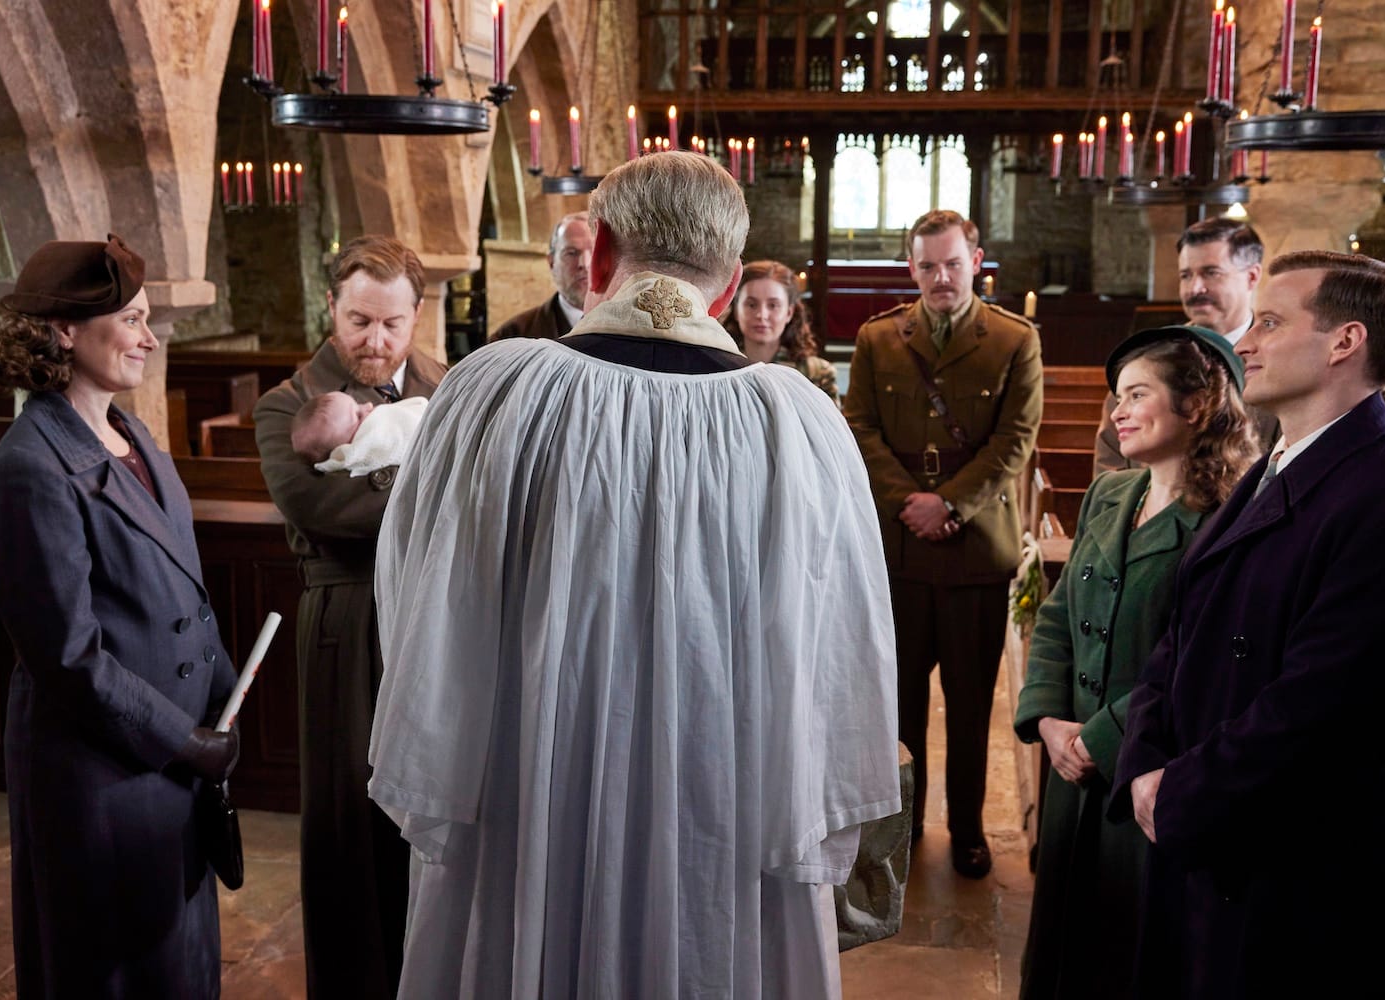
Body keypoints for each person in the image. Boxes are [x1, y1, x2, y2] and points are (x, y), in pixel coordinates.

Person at [368, 151, 900, 998]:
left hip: (528, 789)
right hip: (733, 793)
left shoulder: (494, 394)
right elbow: (844, 652)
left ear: (603, 253)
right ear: (727, 286)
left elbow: (416, 598)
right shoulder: (801, 425)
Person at [1111, 251, 1385, 998]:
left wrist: (1181, 790)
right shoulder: (1274, 465)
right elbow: (1182, 630)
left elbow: (1327, 714)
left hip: (1301, 858)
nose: (1244, 342)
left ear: (1344, 342)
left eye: (1270, 321)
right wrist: (1145, 761)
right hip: (1216, 828)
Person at [0, 235, 240, 998]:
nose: (150, 336)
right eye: (130, 318)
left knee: (180, 967)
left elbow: (183, 592)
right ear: (63, 331)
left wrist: (224, 698)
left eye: (148, 316)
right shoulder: (30, 469)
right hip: (102, 773)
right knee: (113, 974)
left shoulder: (133, 436)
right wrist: (184, 740)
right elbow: (69, 661)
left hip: (172, 764)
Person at [1013, 325, 1257, 999]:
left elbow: (1196, 657)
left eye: (1138, 394)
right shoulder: (1109, 494)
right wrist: (1048, 720)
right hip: (1071, 765)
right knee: (1063, 947)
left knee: (1127, 952)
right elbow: (1060, 614)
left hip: (1148, 768)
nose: (1117, 411)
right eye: (1116, 396)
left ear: (1198, 406)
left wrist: (1098, 739)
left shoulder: (1229, 518)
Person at [253, 234, 447, 1000]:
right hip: (348, 614)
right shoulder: (287, 406)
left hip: (436, 614)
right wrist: (433, 493)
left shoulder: (452, 384)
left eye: (392, 325)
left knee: (431, 810)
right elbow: (321, 505)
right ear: (331, 305)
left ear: (417, 316)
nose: (376, 341)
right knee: (352, 815)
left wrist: (397, 489)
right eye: (359, 321)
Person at [843, 209, 1043, 877]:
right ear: (911, 267)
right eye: (927, 265)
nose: (940, 277)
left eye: (952, 263)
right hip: (899, 552)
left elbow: (1014, 440)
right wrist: (910, 504)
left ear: (976, 260)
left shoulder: (1013, 340)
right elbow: (861, 429)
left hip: (975, 550)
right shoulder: (879, 339)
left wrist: (951, 503)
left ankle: (966, 827)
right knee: (897, 707)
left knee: (968, 703)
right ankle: (900, 831)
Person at [1094, 217, 1277, 474]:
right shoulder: (1147, 360)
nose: (1195, 288)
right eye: (1186, 275)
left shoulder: (1278, 365)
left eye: (1211, 273)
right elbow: (1110, 468)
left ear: (1252, 276)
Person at [722, 259, 840, 402]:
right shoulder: (719, 368)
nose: (762, 315)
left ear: (789, 313)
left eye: (773, 305)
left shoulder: (817, 373)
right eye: (752, 305)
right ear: (736, 311)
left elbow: (830, 424)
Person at [490, 212, 594, 340]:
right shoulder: (512, 336)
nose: (584, 263)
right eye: (571, 253)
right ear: (551, 262)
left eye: (594, 251)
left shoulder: (624, 330)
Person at [290, 389, 429, 476]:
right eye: (357, 416)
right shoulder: (357, 451)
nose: (368, 406)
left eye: (358, 404)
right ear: (341, 450)